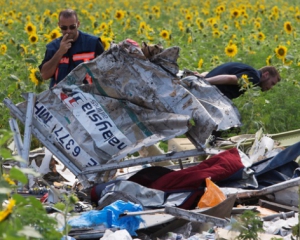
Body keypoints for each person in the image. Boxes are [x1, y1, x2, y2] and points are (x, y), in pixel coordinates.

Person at [39, 9, 104, 88]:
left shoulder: (93, 43)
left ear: (78, 24)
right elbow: (44, 75)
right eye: (64, 28)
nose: (68, 31)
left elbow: (106, 71)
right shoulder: (53, 47)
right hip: (60, 96)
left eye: (72, 27)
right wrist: (60, 52)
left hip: (88, 95)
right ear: (59, 25)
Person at [197, 62, 281, 99]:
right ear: (266, 75)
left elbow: (218, 72)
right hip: (210, 94)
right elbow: (230, 78)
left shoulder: (249, 70)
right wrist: (204, 81)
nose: (271, 87)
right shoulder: (254, 78)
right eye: (272, 83)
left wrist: (203, 75)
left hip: (208, 91)